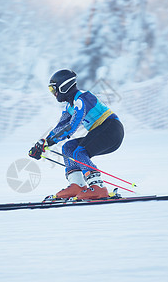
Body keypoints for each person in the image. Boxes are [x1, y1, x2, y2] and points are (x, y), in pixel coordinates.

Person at [28, 69, 124, 199]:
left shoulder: (82, 98)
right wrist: (43, 143)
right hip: (102, 131)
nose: (54, 94)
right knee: (68, 148)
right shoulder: (69, 106)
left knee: (79, 152)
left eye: (53, 90)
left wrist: (49, 142)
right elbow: (61, 126)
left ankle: (99, 187)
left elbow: (71, 126)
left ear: (63, 87)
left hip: (112, 129)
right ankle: (77, 185)